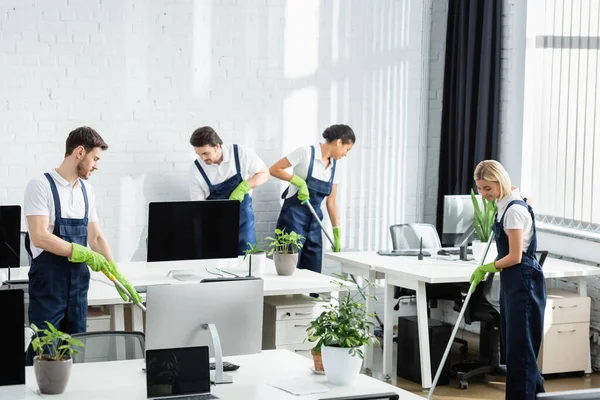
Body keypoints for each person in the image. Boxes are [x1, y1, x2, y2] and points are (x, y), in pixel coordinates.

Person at [24, 127, 141, 340]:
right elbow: (39, 236)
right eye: (95, 158)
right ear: (79, 153)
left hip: (78, 286)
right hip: (49, 285)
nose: (96, 166)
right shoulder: (40, 186)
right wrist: (84, 253)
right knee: (44, 349)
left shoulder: (86, 191)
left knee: (76, 347)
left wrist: (115, 271)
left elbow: (95, 238)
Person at [469, 160, 546, 399]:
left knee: (520, 350)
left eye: (487, 188)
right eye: (480, 189)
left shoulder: (512, 210)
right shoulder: (508, 202)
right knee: (518, 346)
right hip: (514, 281)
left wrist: (487, 267)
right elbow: (527, 199)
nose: (483, 194)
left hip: (523, 279)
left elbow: (514, 256)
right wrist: (523, 197)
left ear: (499, 181)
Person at [269, 124, 355, 274]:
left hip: (315, 224)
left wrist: (336, 232)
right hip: (292, 220)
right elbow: (274, 169)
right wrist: (298, 181)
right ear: (339, 142)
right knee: (289, 270)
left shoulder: (335, 166)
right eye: (347, 149)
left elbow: (331, 200)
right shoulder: (306, 153)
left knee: (313, 271)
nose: (346, 154)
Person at [188, 126, 269, 255]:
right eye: (198, 154)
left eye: (205, 153)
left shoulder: (240, 153)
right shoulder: (196, 170)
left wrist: (244, 187)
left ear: (217, 146)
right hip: (215, 224)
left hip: (243, 222)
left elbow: (264, 173)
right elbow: (198, 206)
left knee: (246, 260)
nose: (203, 159)